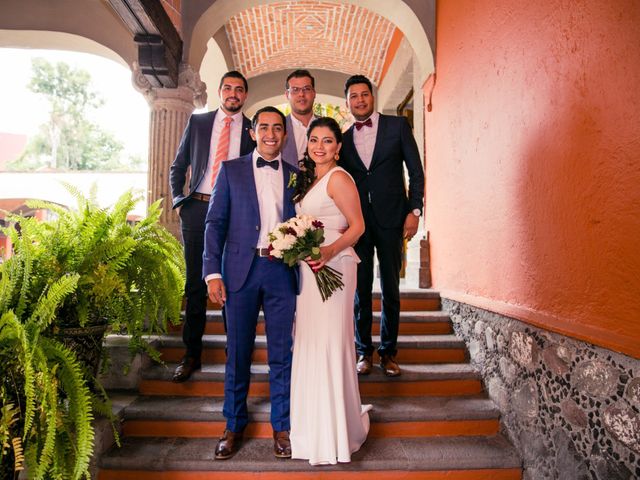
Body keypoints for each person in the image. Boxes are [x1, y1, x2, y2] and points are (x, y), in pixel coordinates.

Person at [203, 106, 298, 460]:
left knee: (281, 355)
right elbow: (214, 224)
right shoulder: (230, 171)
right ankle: (233, 424)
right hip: (239, 272)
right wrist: (212, 272)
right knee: (238, 353)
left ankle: (282, 427)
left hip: (280, 272)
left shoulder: (295, 175)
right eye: (264, 127)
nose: (271, 134)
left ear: (285, 135)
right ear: (252, 132)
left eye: (277, 128)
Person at [289, 117, 371, 465]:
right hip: (311, 272)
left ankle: (335, 431)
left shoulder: (338, 178)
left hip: (335, 266)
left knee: (329, 341)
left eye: (327, 140)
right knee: (311, 340)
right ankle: (313, 426)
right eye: (314, 140)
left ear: (338, 147)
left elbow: (358, 227)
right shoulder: (312, 179)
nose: (320, 146)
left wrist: (328, 251)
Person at [169, 71, 256, 383]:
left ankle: (236, 352)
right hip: (198, 207)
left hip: (234, 213)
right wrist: (181, 201)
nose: (233, 94)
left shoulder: (251, 130)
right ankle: (191, 353)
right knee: (195, 284)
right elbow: (178, 165)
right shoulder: (199, 122)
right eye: (228, 88)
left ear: (246, 95)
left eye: (239, 90)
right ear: (220, 91)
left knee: (232, 283)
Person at [340, 75, 425, 377]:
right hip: (358, 225)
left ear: (372, 97)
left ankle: (388, 352)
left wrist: (414, 210)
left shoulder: (397, 126)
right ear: (347, 101)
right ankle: (365, 351)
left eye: (364, 94)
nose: (360, 100)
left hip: (393, 220)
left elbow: (416, 171)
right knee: (361, 290)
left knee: (391, 288)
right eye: (354, 96)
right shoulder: (344, 139)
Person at [282, 69, 317, 167]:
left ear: (314, 93)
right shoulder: (279, 127)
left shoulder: (328, 126)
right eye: (295, 90)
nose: (301, 94)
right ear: (287, 95)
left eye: (306, 89)